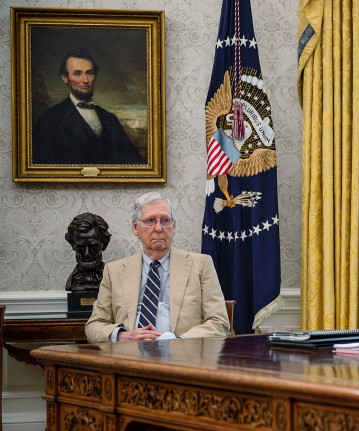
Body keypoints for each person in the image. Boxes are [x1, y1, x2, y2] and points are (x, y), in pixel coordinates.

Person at [85, 191, 230, 343]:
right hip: (128, 357)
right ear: (135, 227)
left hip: (182, 358)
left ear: (173, 227)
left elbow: (218, 322)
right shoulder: (114, 271)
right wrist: (122, 336)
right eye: (150, 220)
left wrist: (177, 341)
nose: (159, 228)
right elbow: (94, 325)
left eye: (165, 220)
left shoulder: (201, 265)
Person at [32, 48, 145, 165]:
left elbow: (132, 161)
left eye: (89, 73)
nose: (85, 80)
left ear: (95, 76)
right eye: (77, 73)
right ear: (65, 78)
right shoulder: (49, 120)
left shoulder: (110, 119)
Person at [65, 212, 112, 292]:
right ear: (73, 246)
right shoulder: (73, 280)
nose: (87, 254)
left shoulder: (111, 279)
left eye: (93, 247)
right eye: (81, 247)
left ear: (104, 245)